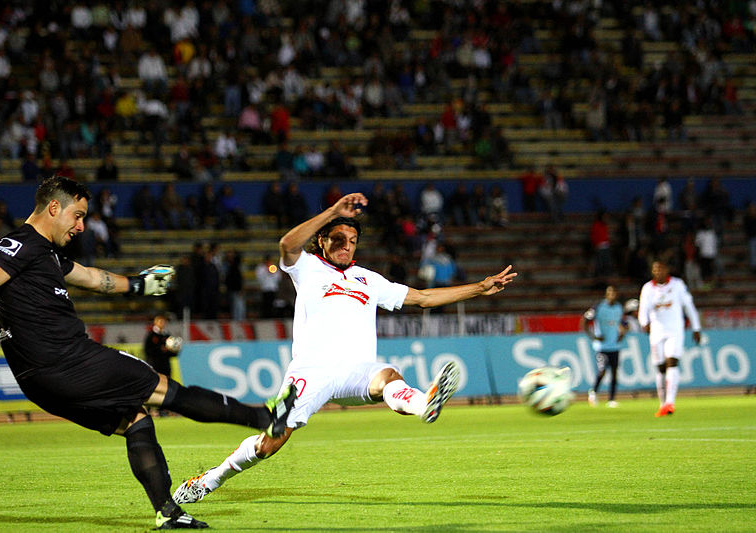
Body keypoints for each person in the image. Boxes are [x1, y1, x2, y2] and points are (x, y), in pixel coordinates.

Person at [0, 176, 296, 530]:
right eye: (77, 215)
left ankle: (168, 512)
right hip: (68, 360)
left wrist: (139, 284)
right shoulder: (19, 244)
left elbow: (91, 277)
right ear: (53, 208)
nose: (81, 226)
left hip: (38, 380)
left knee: (135, 420)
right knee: (165, 390)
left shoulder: (47, 255)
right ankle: (265, 418)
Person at [172, 192, 517, 504]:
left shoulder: (368, 279)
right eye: (338, 239)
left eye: (352, 240)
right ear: (321, 240)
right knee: (270, 443)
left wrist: (480, 287)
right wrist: (334, 211)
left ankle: (423, 404)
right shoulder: (306, 267)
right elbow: (287, 244)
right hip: (310, 372)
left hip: (356, 370)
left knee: (388, 376)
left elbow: (423, 298)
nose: (346, 245)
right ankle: (211, 479)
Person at [638, 259, 702, 418]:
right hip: (657, 331)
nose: (658, 271)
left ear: (667, 270)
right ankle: (662, 403)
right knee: (660, 368)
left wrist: (696, 327)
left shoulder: (677, 285)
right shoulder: (647, 288)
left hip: (675, 330)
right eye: (655, 269)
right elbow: (642, 309)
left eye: (661, 268)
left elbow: (689, 306)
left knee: (672, 362)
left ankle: (670, 403)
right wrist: (644, 323)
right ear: (653, 271)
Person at [580, 285, 628, 408]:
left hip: (615, 346)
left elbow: (624, 323)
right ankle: (593, 392)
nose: (612, 295)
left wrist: (622, 334)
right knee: (602, 371)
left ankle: (611, 399)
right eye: (610, 292)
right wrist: (593, 336)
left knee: (614, 372)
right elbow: (585, 320)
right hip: (601, 346)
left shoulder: (618, 308)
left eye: (614, 292)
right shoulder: (598, 307)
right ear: (606, 294)